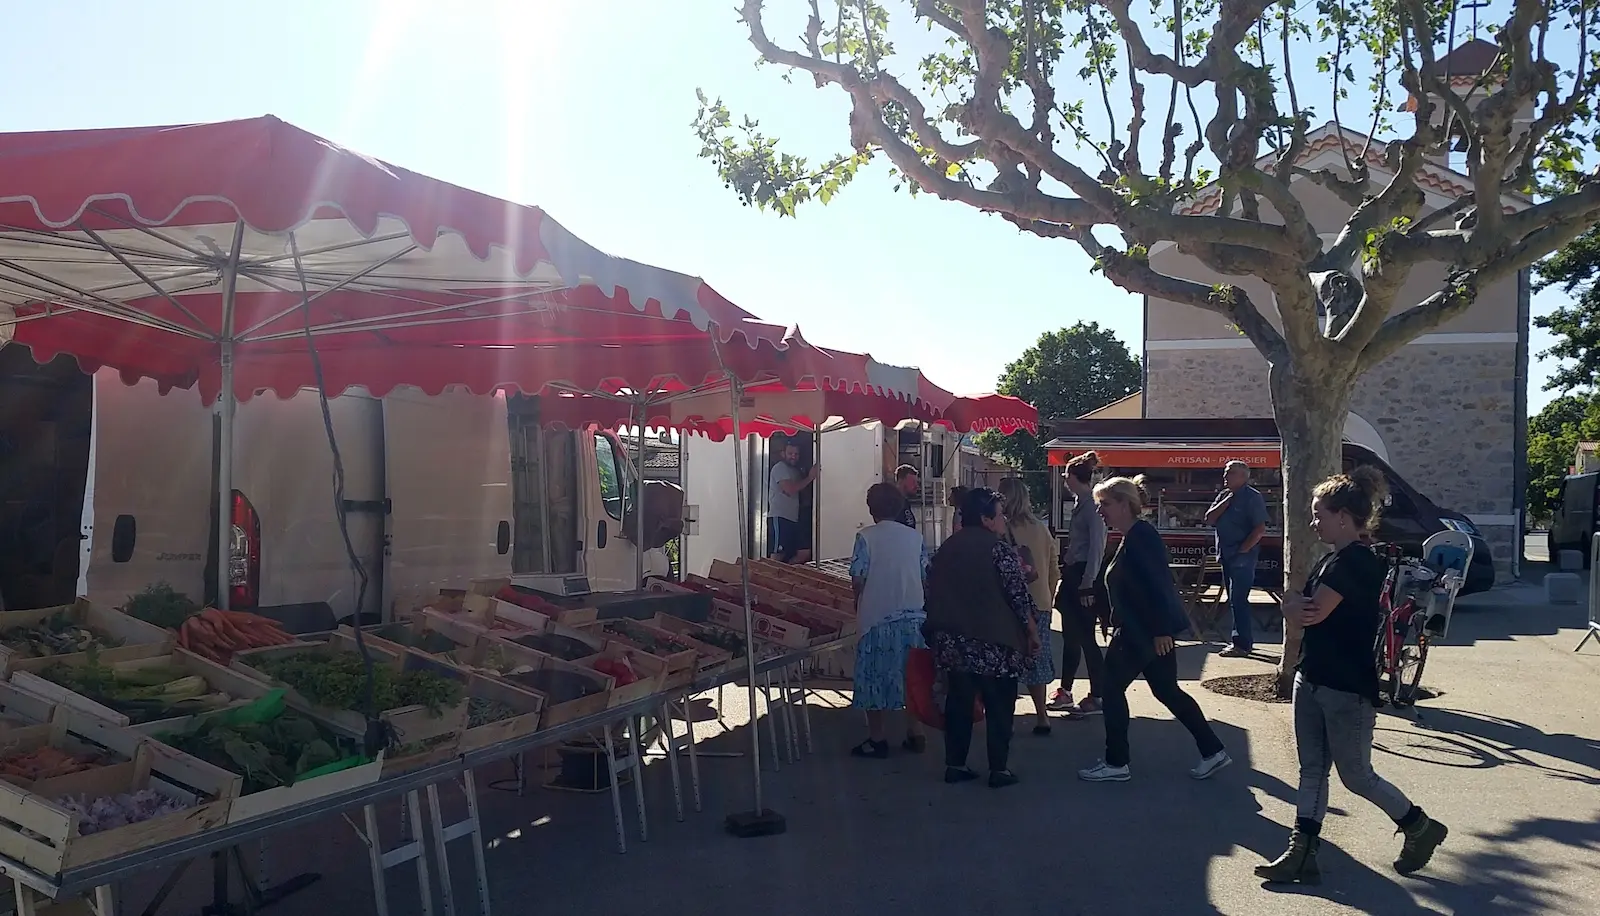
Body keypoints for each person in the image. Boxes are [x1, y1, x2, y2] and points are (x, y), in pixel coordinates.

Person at [1256, 467, 1449, 884]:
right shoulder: (1332, 558)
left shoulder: (1358, 561)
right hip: (1313, 676)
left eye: (1318, 514)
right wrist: (1295, 603)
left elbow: (1310, 611)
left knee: (1356, 775)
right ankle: (1300, 852)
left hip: (1346, 687)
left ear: (1343, 516)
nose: (1313, 522)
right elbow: (1302, 602)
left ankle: (1419, 826)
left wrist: (1293, 605)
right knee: (1311, 769)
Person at [1079, 476, 1232, 783]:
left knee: (1110, 690)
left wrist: (1162, 630)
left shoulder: (1141, 536)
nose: (1100, 512)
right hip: (1146, 631)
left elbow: (1158, 584)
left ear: (1124, 504)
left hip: (1142, 632)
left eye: (1105, 504)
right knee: (1166, 691)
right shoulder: (1133, 536)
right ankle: (1213, 750)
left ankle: (1116, 762)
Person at [922, 487, 1042, 788]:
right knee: (1000, 706)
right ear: (987, 519)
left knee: (959, 705)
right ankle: (999, 769)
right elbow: (1017, 594)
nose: (1004, 521)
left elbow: (931, 588)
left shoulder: (947, 548)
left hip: (953, 642)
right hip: (996, 643)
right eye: (1000, 515)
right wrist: (1031, 630)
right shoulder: (998, 549)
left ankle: (956, 764)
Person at [848, 483, 931, 758]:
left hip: (878, 615)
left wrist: (856, 603)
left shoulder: (866, 537)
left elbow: (858, 578)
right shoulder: (915, 538)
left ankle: (877, 737)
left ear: (871, 509)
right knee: (911, 677)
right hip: (913, 614)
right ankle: (915, 731)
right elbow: (923, 575)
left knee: (874, 678)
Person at [997, 477, 1060, 736]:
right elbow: (1055, 567)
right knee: (1036, 659)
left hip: (1010, 603)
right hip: (1041, 600)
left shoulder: (1001, 529)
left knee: (1008, 659)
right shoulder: (1041, 527)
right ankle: (1042, 715)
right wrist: (1048, 595)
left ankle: (1004, 715)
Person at [1050, 451, 1109, 718]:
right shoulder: (1080, 503)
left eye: (1066, 475)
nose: (1064, 479)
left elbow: (1097, 548)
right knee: (1071, 637)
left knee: (1086, 638)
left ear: (1074, 477)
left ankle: (1099, 694)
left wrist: (1088, 584)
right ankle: (1066, 690)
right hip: (1074, 573)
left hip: (1085, 575)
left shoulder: (1093, 507)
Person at [1204, 460, 1269, 656]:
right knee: (1233, 599)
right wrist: (1227, 501)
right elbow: (1209, 519)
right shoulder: (1224, 495)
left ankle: (1241, 643)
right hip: (1225, 554)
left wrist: (1243, 550)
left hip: (1242, 557)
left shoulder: (1252, 498)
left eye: (1230, 473)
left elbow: (1260, 528)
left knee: (1239, 599)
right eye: (1225, 473)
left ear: (1243, 477)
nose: (1225, 477)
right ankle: (1241, 641)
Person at [767, 439, 819, 564]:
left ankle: (784, 579)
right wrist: (810, 478)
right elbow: (790, 489)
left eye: (796, 454)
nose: (793, 457)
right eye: (790, 453)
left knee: (796, 554)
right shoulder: (780, 468)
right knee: (778, 556)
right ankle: (769, 580)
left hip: (792, 519)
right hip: (780, 517)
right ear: (783, 454)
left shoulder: (795, 471)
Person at [893, 464, 920, 529]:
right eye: (913, 482)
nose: (917, 486)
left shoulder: (905, 503)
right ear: (901, 481)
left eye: (916, 482)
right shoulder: (892, 504)